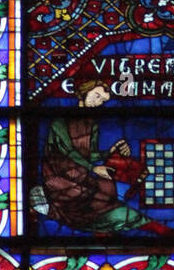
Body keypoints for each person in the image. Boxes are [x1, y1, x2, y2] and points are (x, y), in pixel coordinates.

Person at [40, 79, 148, 234]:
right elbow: (68, 151)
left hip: (81, 172)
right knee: (90, 197)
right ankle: (54, 210)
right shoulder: (60, 121)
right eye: (96, 96)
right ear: (84, 91)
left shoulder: (92, 123)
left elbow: (91, 154)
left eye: (102, 100)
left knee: (108, 187)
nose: (98, 103)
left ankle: (104, 230)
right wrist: (94, 168)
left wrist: (111, 152)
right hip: (58, 174)